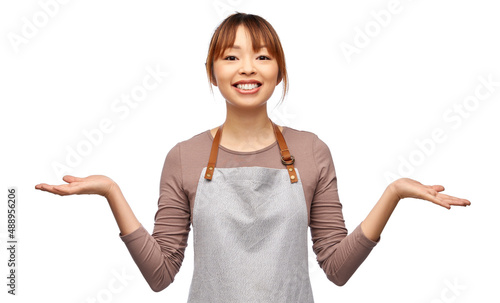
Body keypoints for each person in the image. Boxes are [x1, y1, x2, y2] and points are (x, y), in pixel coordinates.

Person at [35, 12, 471, 302]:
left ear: (279, 70)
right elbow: (161, 275)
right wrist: (111, 192)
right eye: (232, 57)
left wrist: (393, 194)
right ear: (213, 71)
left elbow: (337, 268)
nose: (248, 68)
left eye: (263, 56)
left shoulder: (311, 151)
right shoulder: (184, 157)